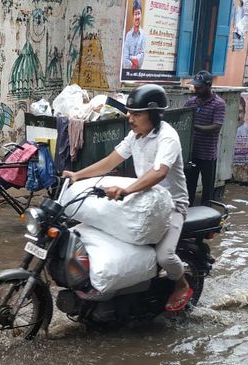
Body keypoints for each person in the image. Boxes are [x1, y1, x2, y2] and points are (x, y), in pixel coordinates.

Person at [61, 84, 193, 312]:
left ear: (154, 114)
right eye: (130, 113)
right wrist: (78, 175)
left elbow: (159, 171)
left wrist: (126, 190)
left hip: (172, 206)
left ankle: (181, 284)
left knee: (165, 255)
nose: (130, 118)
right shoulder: (136, 136)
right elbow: (111, 160)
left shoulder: (167, 137)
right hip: (145, 201)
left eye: (137, 114)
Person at [184, 70, 226, 206]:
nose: (196, 89)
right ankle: (188, 214)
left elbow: (215, 127)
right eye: (195, 86)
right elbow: (182, 119)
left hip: (208, 155)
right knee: (189, 186)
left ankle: (207, 214)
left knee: (207, 190)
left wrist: (194, 127)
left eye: (199, 87)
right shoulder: (191, 102)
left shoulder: (218, 104)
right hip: (192, 153)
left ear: (209, 86)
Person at [121, 0, 146, 70]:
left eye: (139, 13)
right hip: (127, 74)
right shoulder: (128, 35)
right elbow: (125, 60)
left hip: (138, 75)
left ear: (141, 15)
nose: (137, 16)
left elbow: (141, 59)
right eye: (135, 14)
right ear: (133, 16)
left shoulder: (143, 36)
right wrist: (134, 63)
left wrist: (131, 57)